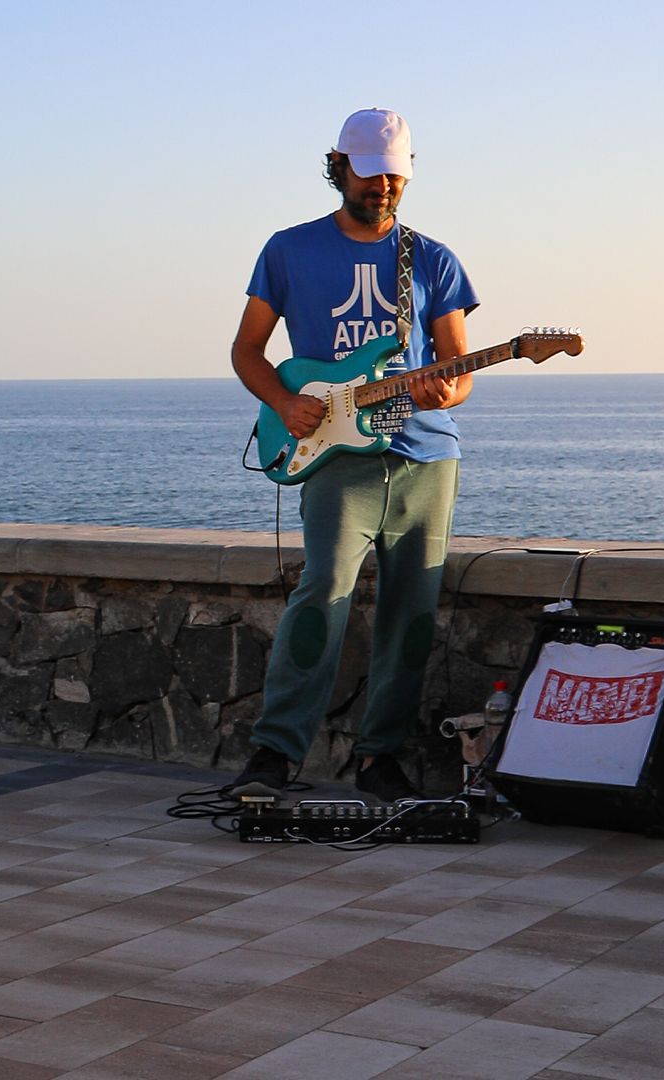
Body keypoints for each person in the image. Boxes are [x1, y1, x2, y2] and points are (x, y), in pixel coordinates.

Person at [229, 108, 479, 801]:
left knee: (413, 612)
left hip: (426, 458)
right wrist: (285, 406)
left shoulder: (432, 259)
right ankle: (274, 755)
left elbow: (457, 375)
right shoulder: (288, 250)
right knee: (323, 595)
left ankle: (381, 758)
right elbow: (247, 350)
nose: (384, 190)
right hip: (336, 454)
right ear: (338, 167)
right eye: (370, 176)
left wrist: (440, 395)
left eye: (395, 177)